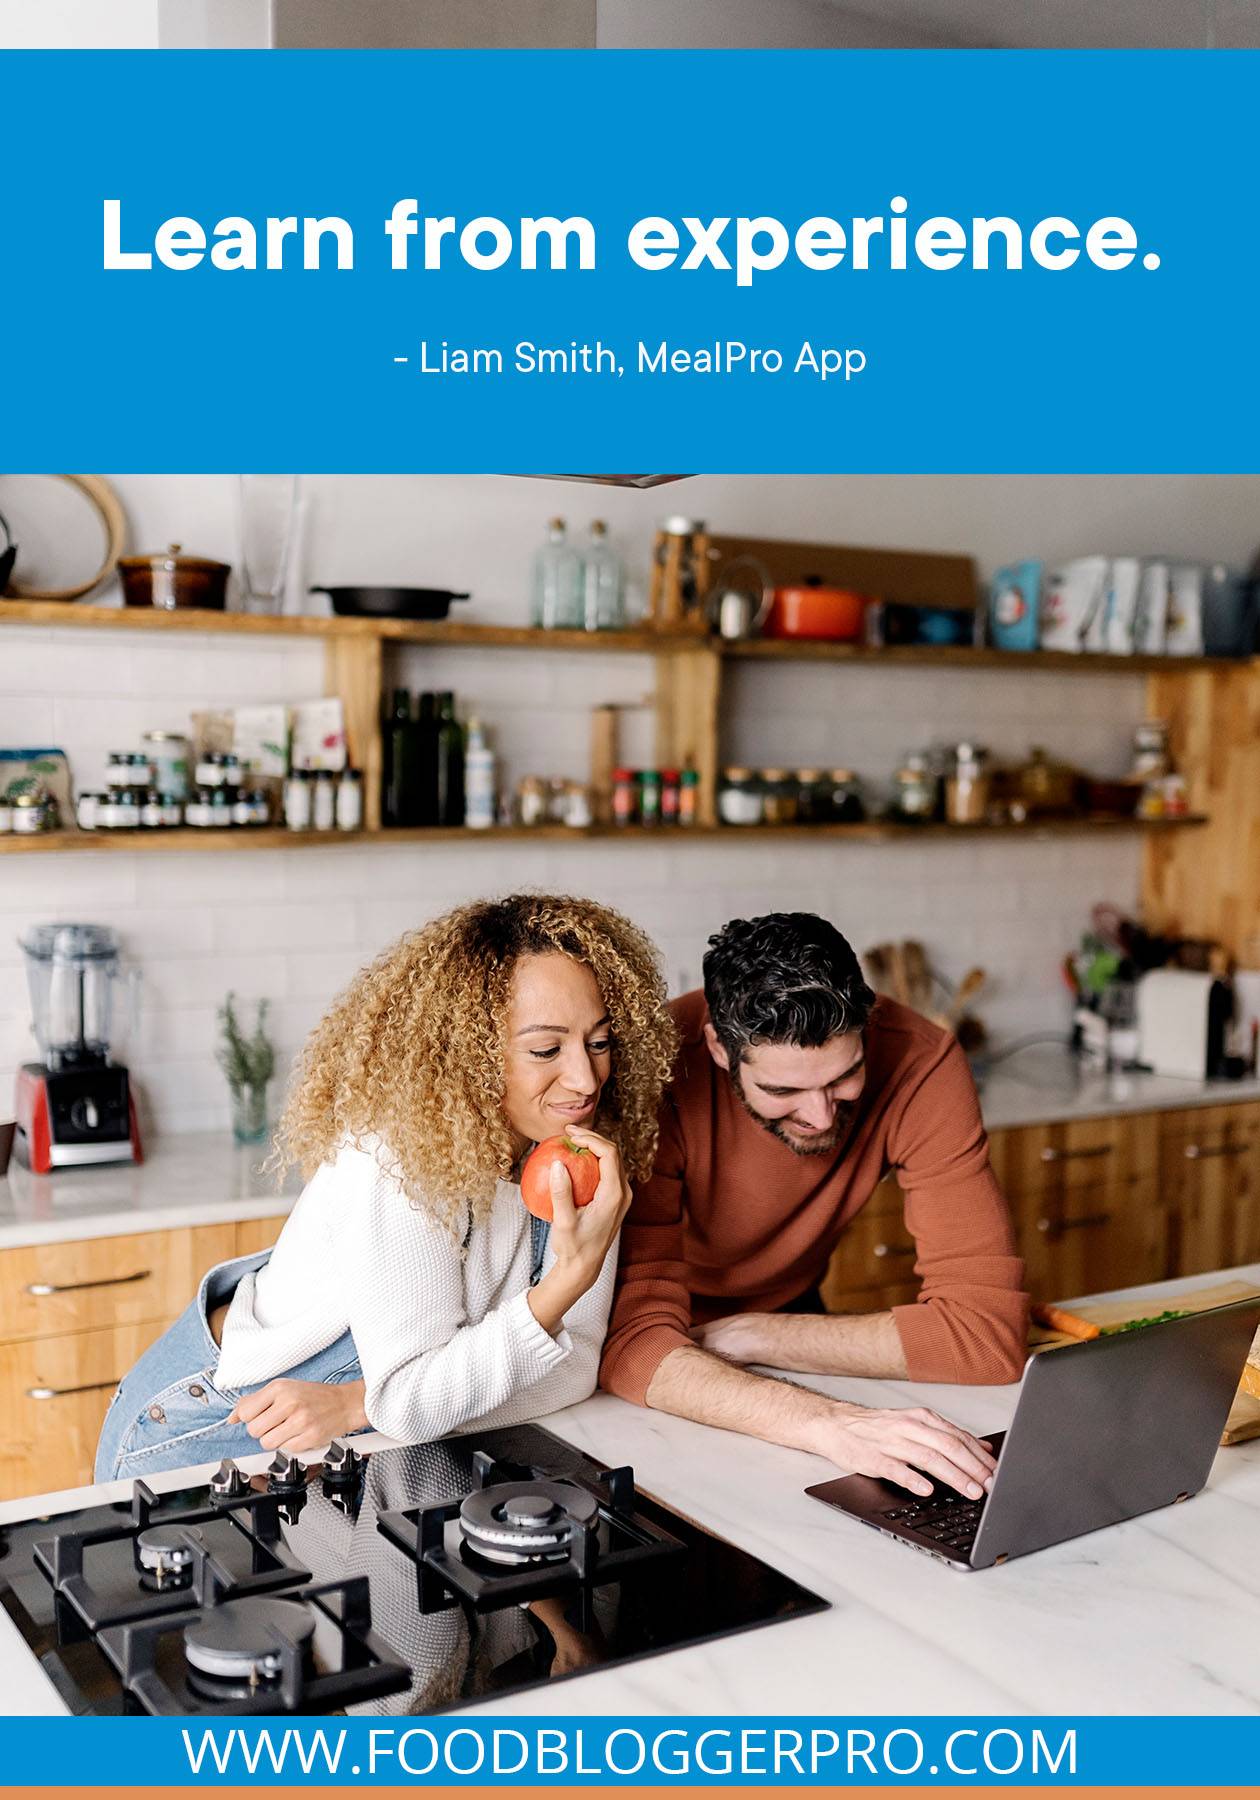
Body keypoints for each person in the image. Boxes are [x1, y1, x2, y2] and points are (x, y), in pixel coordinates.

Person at [95, 893, 678, 1481]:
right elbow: (415, 1401)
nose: (584, 1078)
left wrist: (360, 1404)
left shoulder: (581, 1151)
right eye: (546, 1050)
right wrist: (563, 1285)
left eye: (599, 1042)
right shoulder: (396, 1157)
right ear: (467, 1055)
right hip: (214, 1431)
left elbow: (572, 1369)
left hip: (344, 1441)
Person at [599, 912, 1028, 1501]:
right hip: (665, 1348)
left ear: (867, 1024)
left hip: (787, 1320)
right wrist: (830, 1422)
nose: (822, 1117)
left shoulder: (922, 1062)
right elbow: (633, 1341)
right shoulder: (659, 1069)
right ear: (720, 1050)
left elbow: (985, 1336)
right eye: (782, 1092)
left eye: (844, 1077)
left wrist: (752, 1336)